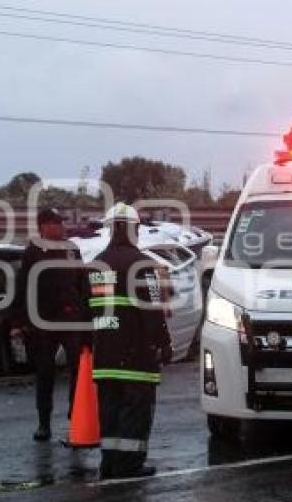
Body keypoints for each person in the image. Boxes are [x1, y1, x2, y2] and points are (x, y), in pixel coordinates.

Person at [88, 202, 172, 479]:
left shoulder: (96, 264)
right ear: (134, 229)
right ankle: (129, 465)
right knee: (135, 413)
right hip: (136, 356)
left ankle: (110, 463)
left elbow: (85, 309)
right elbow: (152, 309)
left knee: (110, 413)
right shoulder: (143, 265)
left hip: (104, 356)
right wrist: (164, 343)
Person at [12, 208, 87, 441]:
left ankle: (76, 414)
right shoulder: (33, 252)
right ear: (43, 226)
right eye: (55, 223)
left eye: (61, 223)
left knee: (79, 368)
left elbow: (83, 284)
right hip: (43, 322)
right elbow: (22, 288)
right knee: (45, 372)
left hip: (72, 319)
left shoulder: (71, 250)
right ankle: (44, 422)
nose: (60, 227)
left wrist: (88, 317)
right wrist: (18, 322)